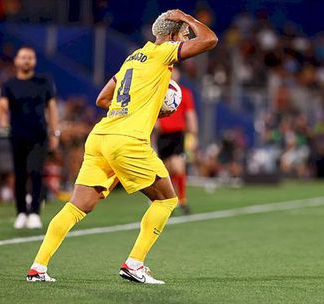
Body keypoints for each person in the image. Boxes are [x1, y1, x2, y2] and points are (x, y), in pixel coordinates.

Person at [26, 9, 217, 284]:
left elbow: (103, 99)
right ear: (172, 35)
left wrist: (148, 107)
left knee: (77, 206)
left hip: (102, 135)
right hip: (127, 140)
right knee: (166, 200)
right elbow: (209, 40)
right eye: (183, 35)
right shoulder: (163, 52)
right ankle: (134, 263)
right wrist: (187, 17)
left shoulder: (132, 59)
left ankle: (38, 267)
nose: (186, 38)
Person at [0, 47, 59, 229]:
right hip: (17, 135)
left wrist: (55, 133)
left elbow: (52, 108)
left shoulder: (43, 81)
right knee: (19, 175)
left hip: (39, 135)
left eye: (30, 57)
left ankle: (34, 213)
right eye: (23, 57)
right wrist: (2, 120)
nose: (26, 60)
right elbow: (2, 105)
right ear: (16, 60)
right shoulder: (8, 84)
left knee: (36, 172)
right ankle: (21, 213)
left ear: (34, 61)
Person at [156, 68, 198, 215]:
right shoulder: (157, 91)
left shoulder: (184, 93)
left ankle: (182, 200)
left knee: (178, 166)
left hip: (177, 135)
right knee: (166, 169)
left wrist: (193, 134)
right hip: (163, 135)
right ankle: (167, 199)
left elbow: (190, 114)